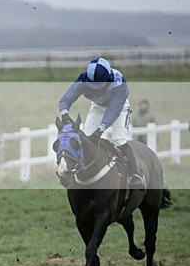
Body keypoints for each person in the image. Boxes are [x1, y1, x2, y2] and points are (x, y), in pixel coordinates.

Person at [58, 57, 144, 188]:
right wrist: (64, 114)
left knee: (119, 140)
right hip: (98, 106)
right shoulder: (84, 79)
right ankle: (77, 173)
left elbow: (114, 111)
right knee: (86, 140)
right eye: (92, 85)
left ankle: (135, 175)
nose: (95, 88)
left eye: (99, 85)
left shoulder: (119, 83)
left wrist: (100, 130)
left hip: (119, 108)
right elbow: (65, 99)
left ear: (108, 78)